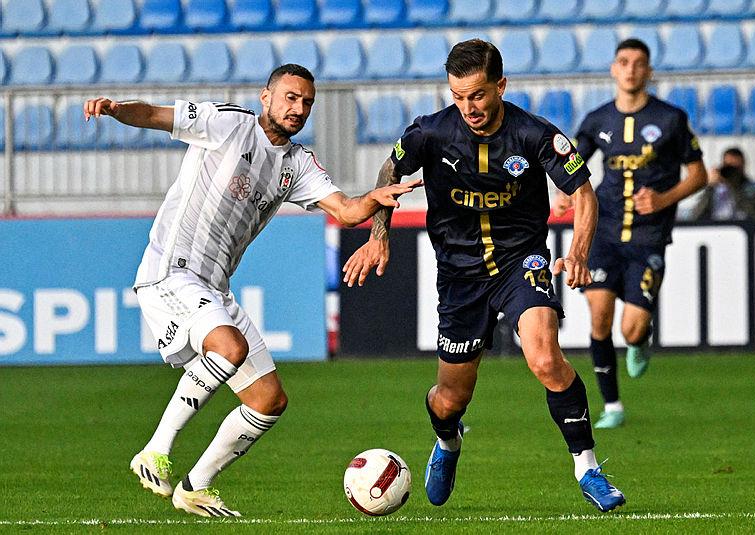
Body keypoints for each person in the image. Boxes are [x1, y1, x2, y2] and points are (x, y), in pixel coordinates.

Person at [84, 64, 420, 518]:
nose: (298, 108)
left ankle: (195, 486)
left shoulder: (296, 164)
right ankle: (155, 450)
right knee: (230, 347)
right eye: (290, 98)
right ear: (266, 97)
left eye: (306, 102)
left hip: (213, 285)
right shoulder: (226, 123)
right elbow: (155, 115)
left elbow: (345, 210)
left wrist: (374, 199)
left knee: (268, 400)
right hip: (172, 270)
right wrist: (115, 109)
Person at [343, 39, 625, 512]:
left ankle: (588, 469)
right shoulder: (432, 132)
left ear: (500, 86)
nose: (468, 107)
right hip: (459, 276)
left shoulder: (534, 134)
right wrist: (379, 233)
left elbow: (583, 192)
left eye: (477, 94)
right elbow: (391, 168)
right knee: (450, 398)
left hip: (522, 263)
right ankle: (448, 442)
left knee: (544, 358)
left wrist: (577, 252)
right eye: (458, 96)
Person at [555, 39, 708, 429]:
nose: (631, 69)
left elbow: (699, 175)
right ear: (614, 69)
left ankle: (640, 340)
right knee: (599, 317)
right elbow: (572, 165)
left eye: (639, 63)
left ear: (649, 71)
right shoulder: (597, 119)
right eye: (624, 62)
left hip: (648, 238)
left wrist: (663, 199)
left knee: (631, 327)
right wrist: (564, 194)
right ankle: (613, 407)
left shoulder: (671, 119)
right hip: (604, 232)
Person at [689, 147, 755, 221]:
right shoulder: (715, 190)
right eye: (728, 166)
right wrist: (710, 187)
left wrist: (734, 187)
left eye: (735, 168)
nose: (732, 172)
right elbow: (696, 216)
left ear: (743, 165)